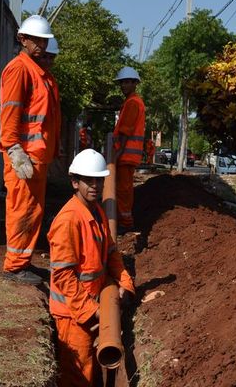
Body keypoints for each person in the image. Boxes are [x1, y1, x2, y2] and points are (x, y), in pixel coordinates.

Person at [47, 149, 135, 386]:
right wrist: (92, 310)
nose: (95, 185)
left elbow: (111, 253)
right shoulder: (68, 220)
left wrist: (125, 284)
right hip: (72, 313)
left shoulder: (96, 211)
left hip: (92, 304)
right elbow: (64, 275)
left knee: (91, 370)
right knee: (78, 376)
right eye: (88, 180)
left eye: (99, 180)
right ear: (75, 182)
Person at [0, 15, 60, 285]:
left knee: (33, 210)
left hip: (37, 156)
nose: (41, 45)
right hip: (24, 156)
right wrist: (13, 149)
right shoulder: (19, 69)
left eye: (44, 40)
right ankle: (13, 267)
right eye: (36, 40)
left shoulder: (39, 72)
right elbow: (10, 111)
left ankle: (22, 262)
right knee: (22, 209)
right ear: (22, 39)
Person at [112, 66, 145, 234]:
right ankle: (123, 220)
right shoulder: (131, 102)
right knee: (122, 189)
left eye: (127, 82)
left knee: (123, 190)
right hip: (127, 155)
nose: (123, 85)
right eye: (122, 83)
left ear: (135, 84)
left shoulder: (132, 103)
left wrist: (117, 154)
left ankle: (126, 222)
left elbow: (126, 130)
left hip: (126, 155)